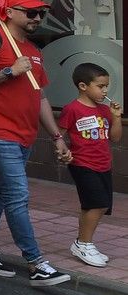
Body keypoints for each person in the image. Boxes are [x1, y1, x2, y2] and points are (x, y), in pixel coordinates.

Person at [0, 0, 71, 286]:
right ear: (9, 13)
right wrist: (10, 71)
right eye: (31, 12)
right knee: (17, 196)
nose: (37, 18)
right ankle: (36, 263)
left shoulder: (34, 52)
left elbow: (41, 98)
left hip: (24, 136)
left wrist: (57, 137)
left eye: (40, 13)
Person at [58, 63, 121, 267]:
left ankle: (82, 243)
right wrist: (62, 151)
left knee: (94, 206)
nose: (105, 91)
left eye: (106, 86)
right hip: (82, 164)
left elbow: (116, 138)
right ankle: (84, 243)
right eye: (100, 86)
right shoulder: (72, 109)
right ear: (83, 86)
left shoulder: (104, 110)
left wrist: (116, 118)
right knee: (98, 204)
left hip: (104, 164)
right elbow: (59, 134)